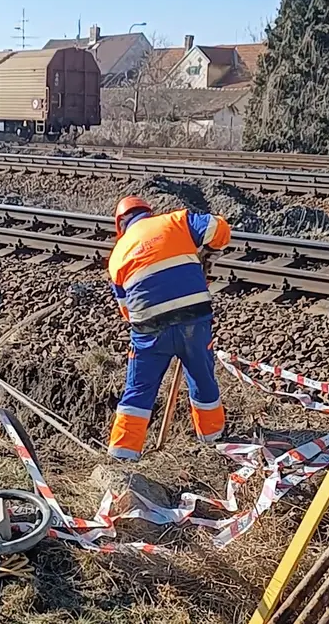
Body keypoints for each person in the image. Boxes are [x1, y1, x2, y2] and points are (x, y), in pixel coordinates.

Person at [105, 195, 232, 461]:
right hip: (193, 319)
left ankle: (122, 455)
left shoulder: (117, 255)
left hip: (149, 329)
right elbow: (220, 229)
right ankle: (213, 440)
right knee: (201, 377)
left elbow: (126, 310)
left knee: (139, 388)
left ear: (121, 225)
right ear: (148, 213)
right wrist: (209, 251)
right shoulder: (176, 221)